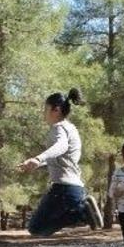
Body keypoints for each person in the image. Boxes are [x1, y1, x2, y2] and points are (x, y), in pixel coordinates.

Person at [18, 88, 104, 236]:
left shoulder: (58, 127)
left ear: (56, 110)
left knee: (35, 228)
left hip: (63, 189)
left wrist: (38, 158)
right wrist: (37, 164)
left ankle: (82, 211)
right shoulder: (71, 128)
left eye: (46, 109)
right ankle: (81, 212)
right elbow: (62, 158)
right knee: (40, 229)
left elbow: (61, 146)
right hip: (74, 189)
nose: (44, 113)